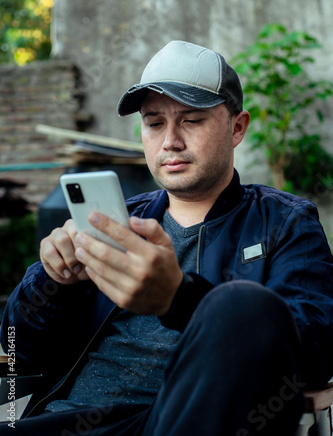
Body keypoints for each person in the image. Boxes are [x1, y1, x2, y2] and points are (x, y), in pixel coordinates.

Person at [1, 40, 333, 436]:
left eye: (191, 120)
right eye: (154, 123)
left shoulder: (285, 222)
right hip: (67, 421)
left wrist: (177, 299)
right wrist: (52, 281)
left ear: (237, 127)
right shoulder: (115, 220)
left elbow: (314, 348)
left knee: (246, 304)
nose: (170, 141)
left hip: (183, 421)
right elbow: (16, 351)